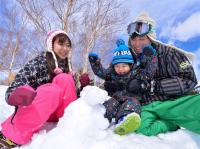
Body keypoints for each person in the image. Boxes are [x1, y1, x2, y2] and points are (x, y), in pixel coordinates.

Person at [0, 30, 77, 148]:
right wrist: (14, 94)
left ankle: (71, 125)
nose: (65, 48)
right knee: (52, 90)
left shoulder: (69, 68)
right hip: (37, 109)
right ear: (51, 44)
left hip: (59, 114)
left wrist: (82, 88)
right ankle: (13, 136)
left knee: (65, 79)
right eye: (61, 44)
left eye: (68, 45)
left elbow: (70, 96)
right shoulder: (40, 62)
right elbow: (21, 79)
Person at [126, 12, 200, 136]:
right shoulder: (133, 60)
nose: (137, 44)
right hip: (149, 107)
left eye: (142, 39)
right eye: (134, 39)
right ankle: (171, 123)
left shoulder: (170, 54)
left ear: (151, 38)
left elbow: (189, 80)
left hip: (174, 103)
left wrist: (151, 85)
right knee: (140, 127)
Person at [88, 39, 158, 135]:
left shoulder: (137, 72)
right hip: (116, 99)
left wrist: (151, 57)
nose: (120, 69)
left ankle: (125, 120)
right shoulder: (113, 73)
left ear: (130, 64)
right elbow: (102, 73)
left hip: (132, 99)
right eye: (117, 66)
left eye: (124, 66)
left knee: (131, 105)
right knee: (108, 105)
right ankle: (99, 120)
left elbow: (149, 72)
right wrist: (95, 64)